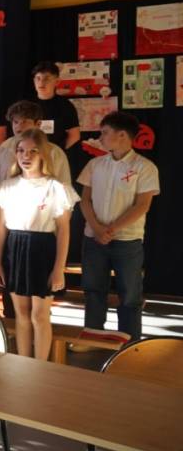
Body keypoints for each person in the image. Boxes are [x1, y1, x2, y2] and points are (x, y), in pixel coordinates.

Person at [0, 129, 78, 360]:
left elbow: (63, 230)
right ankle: (23, 363)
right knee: (21, 314)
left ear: (43, 154)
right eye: (21, 150)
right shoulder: (8, 186)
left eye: (33, 151)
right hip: (15, 249)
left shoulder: (56, 187)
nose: (26, 156)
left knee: (39, 315)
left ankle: (40, 366)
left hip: (43, 249)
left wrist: (58, 268)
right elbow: (1, 228)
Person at [78, 111, 159, 340]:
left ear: (122, 135)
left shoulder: (145, 167)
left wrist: (111, 229)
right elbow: (85, 200)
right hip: (94, 238)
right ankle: (93, 337)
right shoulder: (95, 164)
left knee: (130, 294)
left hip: (127, 241)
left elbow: (142, 205)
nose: (100, 138)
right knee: (93, 290)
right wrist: (97, 228)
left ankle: (130, 342)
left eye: (105, 133)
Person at [0, 101, 72, 187]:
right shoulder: (1, 151)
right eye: (15, 122)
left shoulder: (54, 153)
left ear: (38, 124)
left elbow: (64, 185)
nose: (19, 127)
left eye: (24, 122)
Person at [30, 61, 80, 151]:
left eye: (46, 79)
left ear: (57, 82)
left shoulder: (65, 105)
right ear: (34, 81)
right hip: (31, 155)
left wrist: (57, 152)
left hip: (56, 155)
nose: (41, 82)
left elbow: (75, 135)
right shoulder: (27, 105)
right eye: (38, 78)